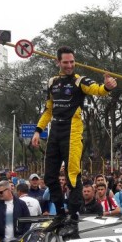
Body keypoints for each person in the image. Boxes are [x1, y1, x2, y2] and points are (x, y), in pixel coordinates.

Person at [31, 46, 117, 229]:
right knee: (50, 177)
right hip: (55, 129)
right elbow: (48, 110)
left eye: (72, 62)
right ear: (58, 62)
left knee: (72, 175)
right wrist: (38, 131)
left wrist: (107, 87)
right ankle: (60, 214)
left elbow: (97, 89)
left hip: (73, 131)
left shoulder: (80, 81)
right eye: (65, 62)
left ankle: (74, 214)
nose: (69, 65)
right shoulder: (51, 82)